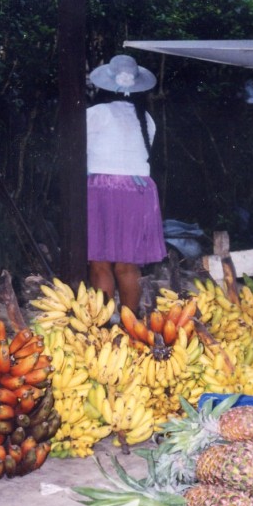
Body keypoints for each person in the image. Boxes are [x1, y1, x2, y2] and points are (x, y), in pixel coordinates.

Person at [86, 55, 167, 316]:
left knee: (100, 263)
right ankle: (131, 326)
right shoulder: (148, 121)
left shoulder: (96, 113)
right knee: (128, 266)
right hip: (138, 192)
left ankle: (103, 327)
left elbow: (77, 151)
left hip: (103, 188)